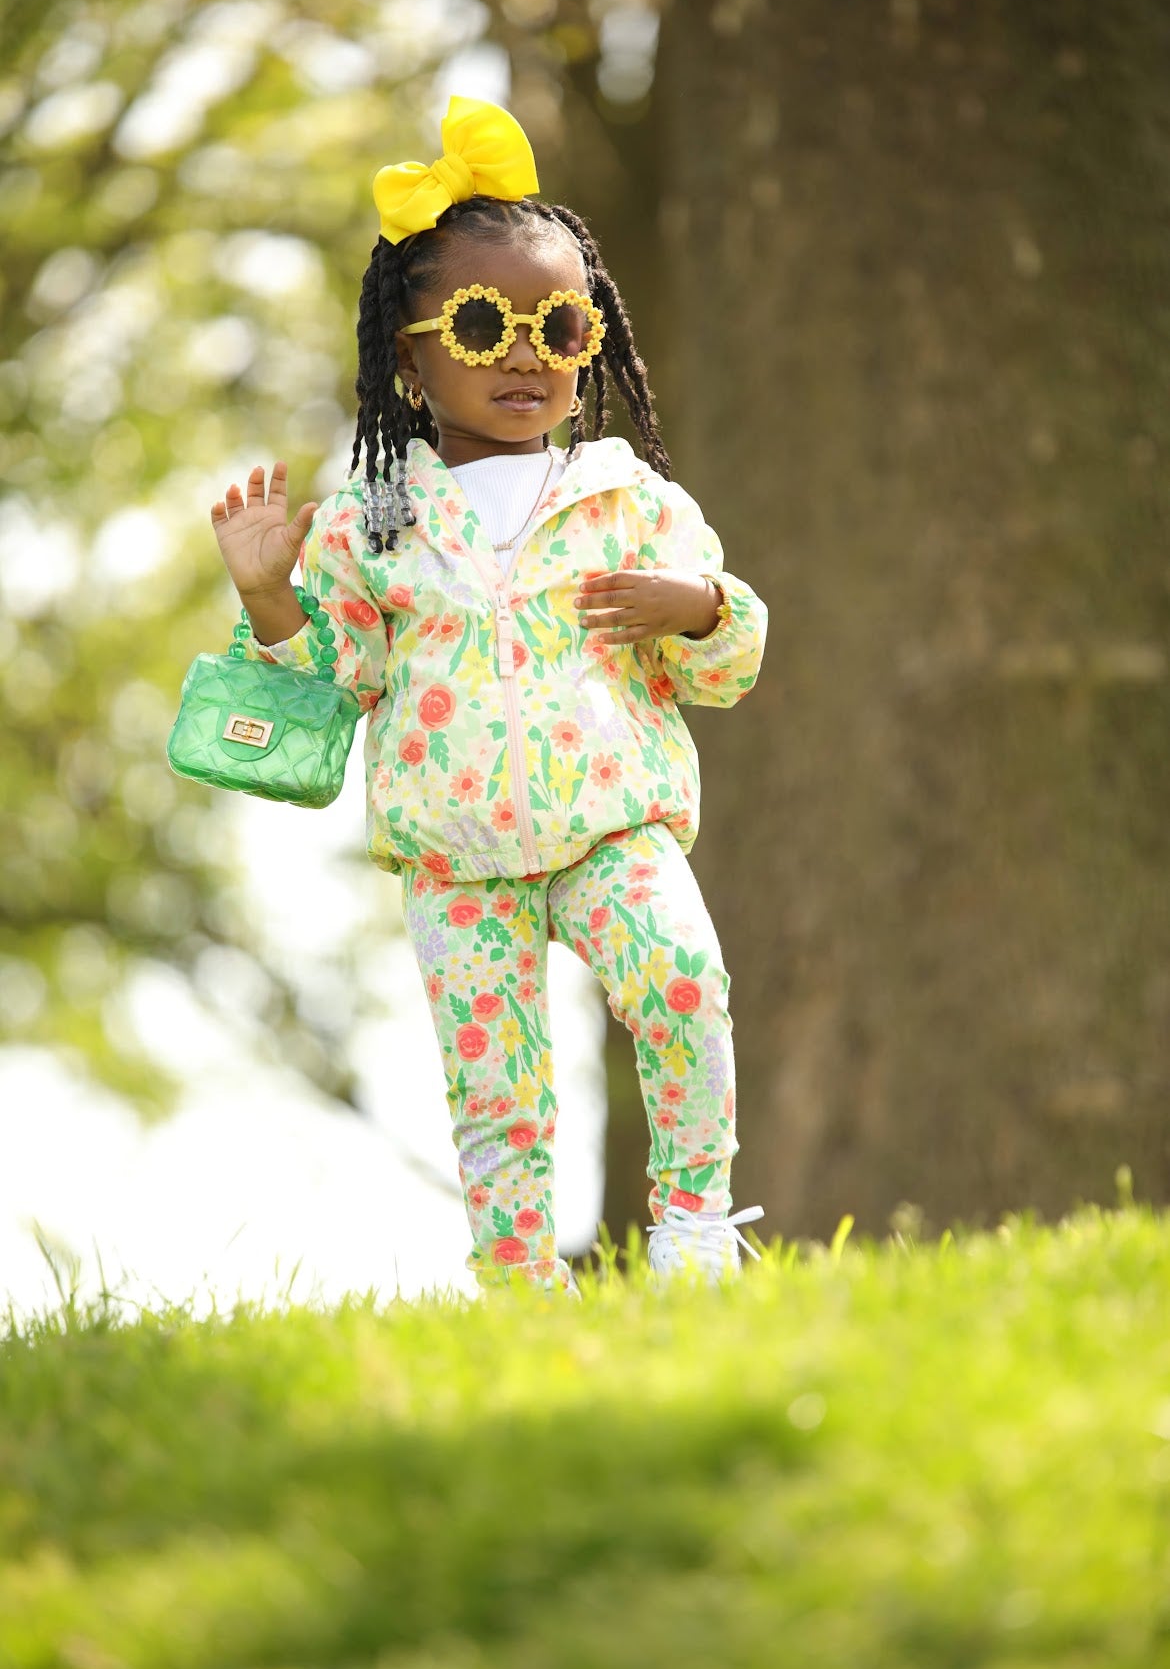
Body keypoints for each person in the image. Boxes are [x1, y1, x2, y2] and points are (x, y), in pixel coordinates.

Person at [208, 96, 768, 1296]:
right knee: (497, 1090)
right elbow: (331, 684)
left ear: (591, 343)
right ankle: (517, 1288)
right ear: (409, 353)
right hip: (457, 861)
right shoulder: (373, 522)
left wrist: (705, 608)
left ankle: (693, 1230)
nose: (523, 351)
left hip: (612, 823)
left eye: (559, 324)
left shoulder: (633, 502)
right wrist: (268, 597)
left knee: (682, 979)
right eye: (480, 320)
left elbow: (725, 672)